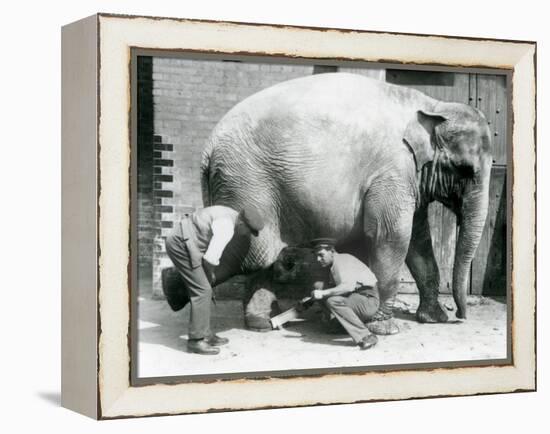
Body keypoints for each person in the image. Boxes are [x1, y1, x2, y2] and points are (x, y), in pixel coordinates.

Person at [165, 205, 264, 355]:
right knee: (203, 290)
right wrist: (209, 276)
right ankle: (196, 341)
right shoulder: (227, 227)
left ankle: (205, 333)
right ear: (242, 224)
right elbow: (210, 260)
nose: (247, 235)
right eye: (249, 231)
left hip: (188, 242)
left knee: (204, 288)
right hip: (180, 244)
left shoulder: (233, 214)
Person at [310, 238, 379, 350]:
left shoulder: (343, 260)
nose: (318, 259)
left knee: (332, 300)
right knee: (318, 286)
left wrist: (323, 293)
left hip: (368, 300)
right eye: (316, 256)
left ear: (331, 251)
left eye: (321, 255)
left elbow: (347, 287)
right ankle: (338, 325)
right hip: (356, 297)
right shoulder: (334, 263)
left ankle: (366, 336)